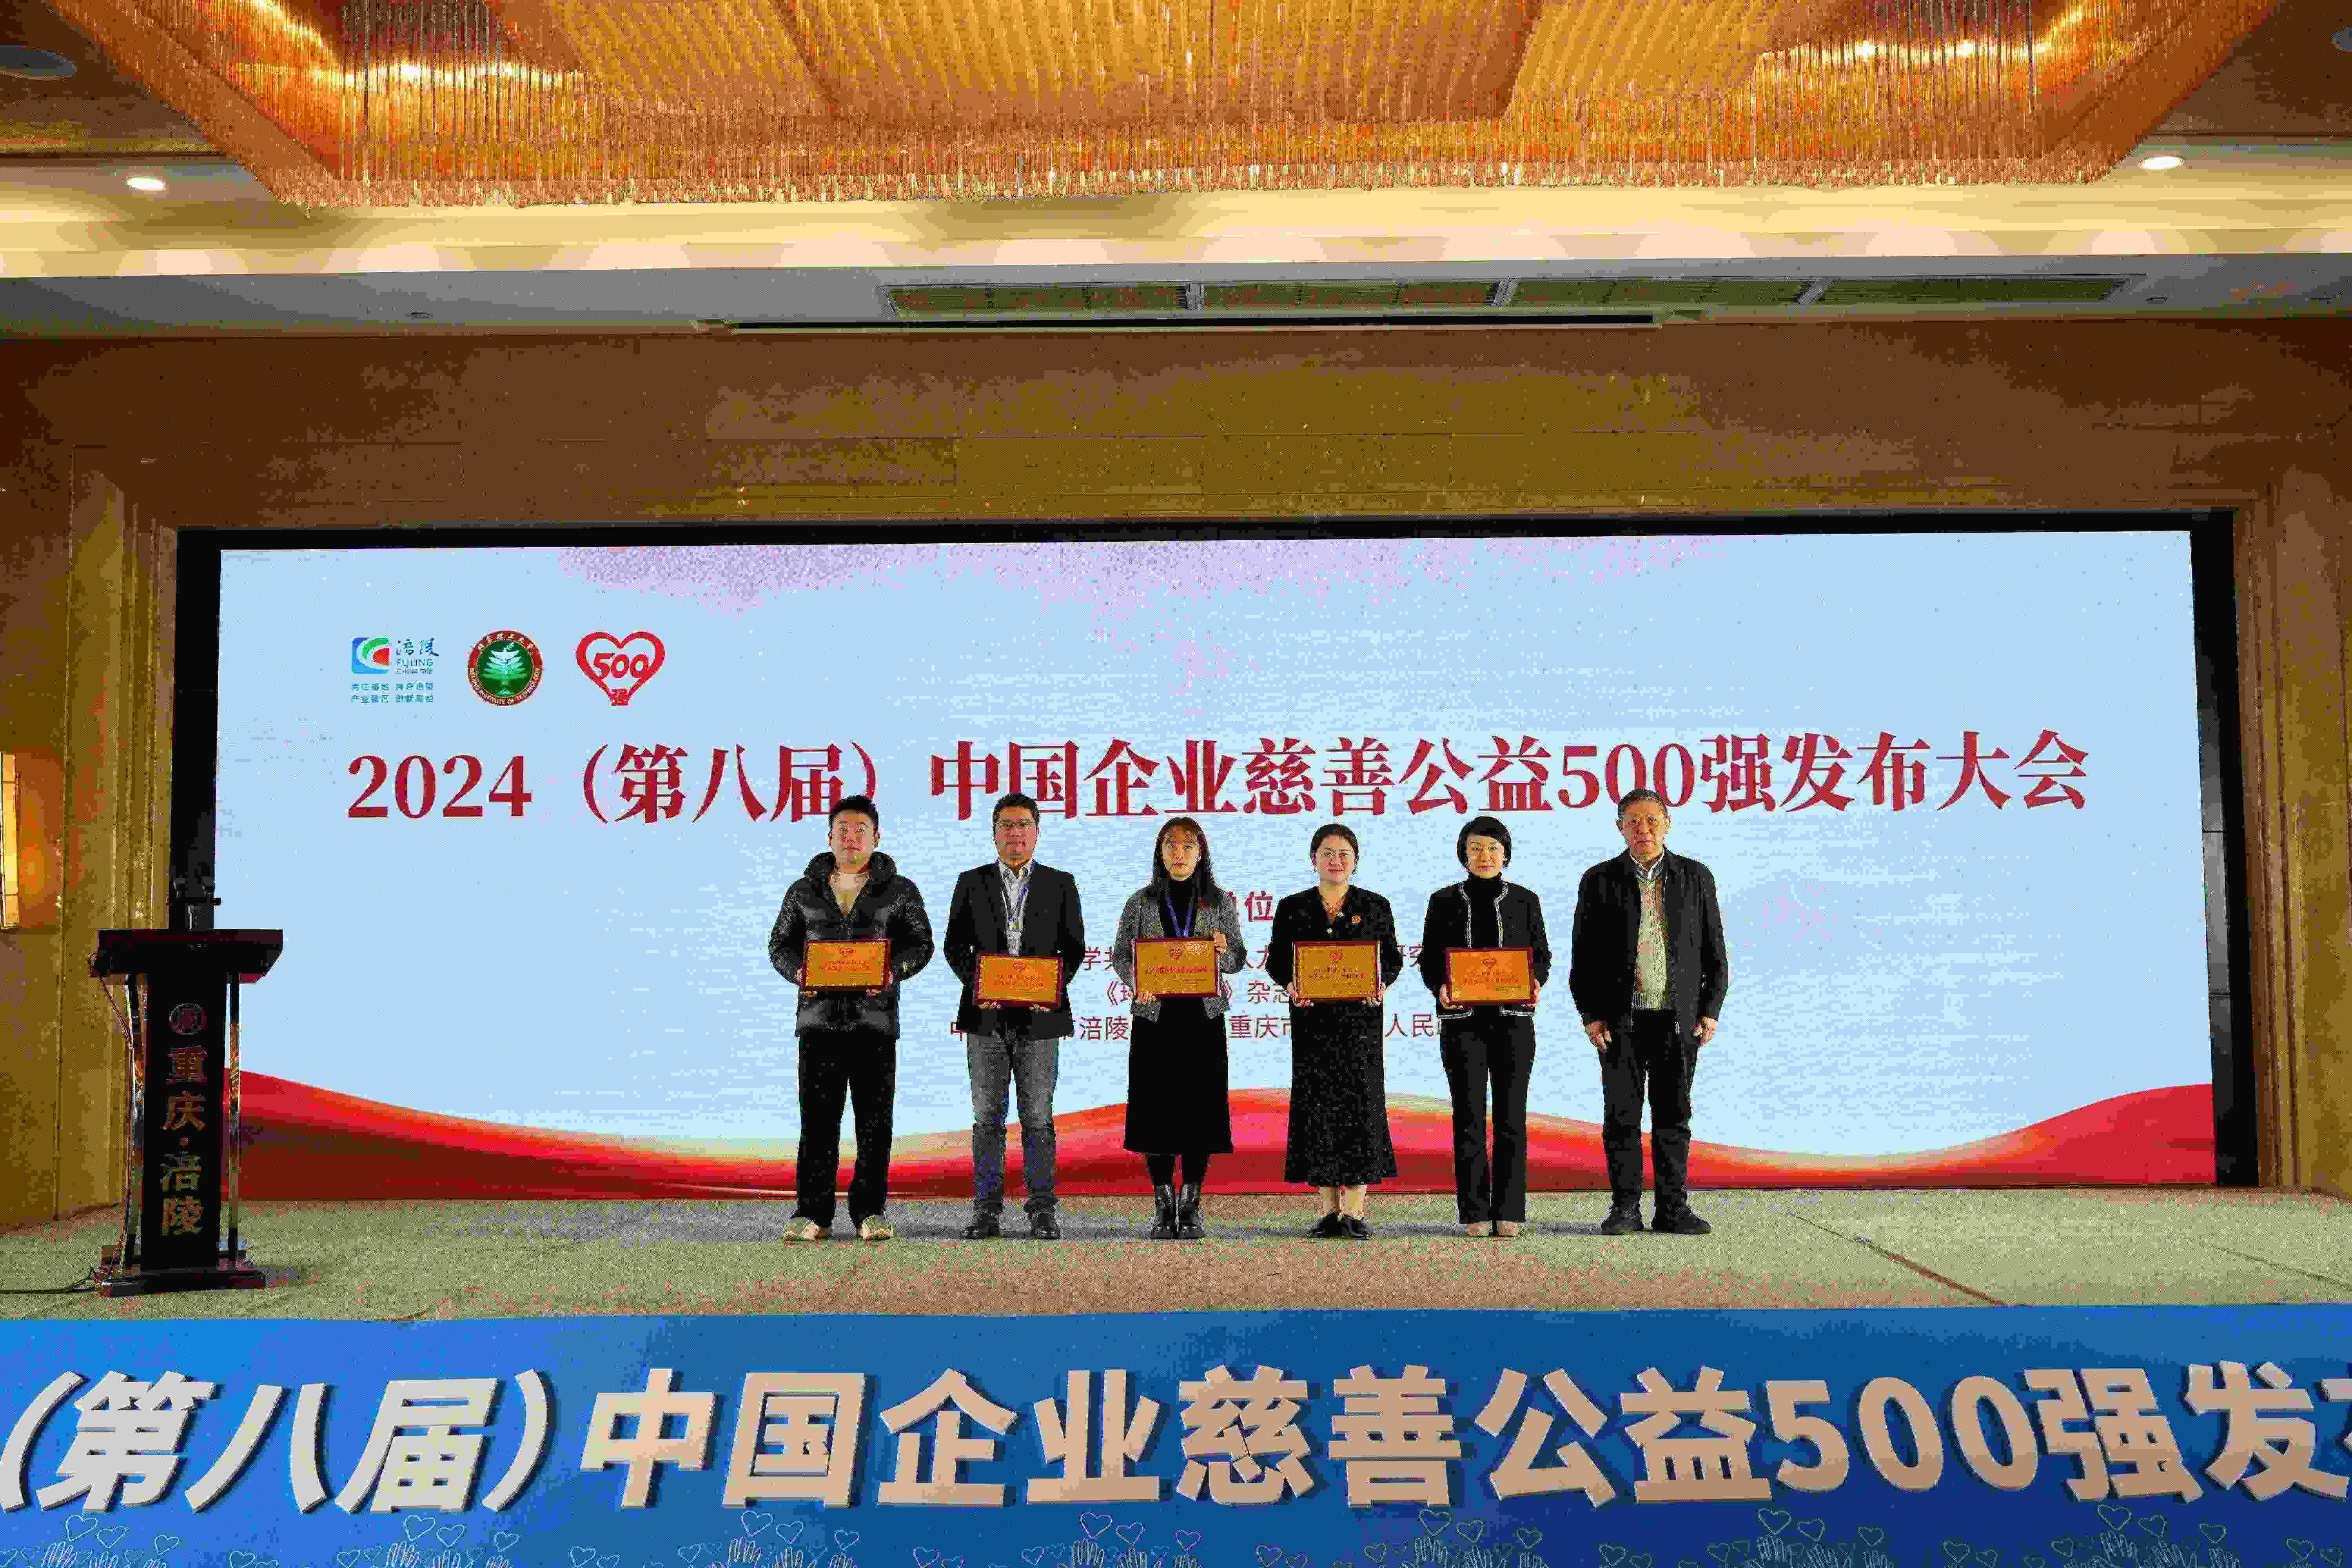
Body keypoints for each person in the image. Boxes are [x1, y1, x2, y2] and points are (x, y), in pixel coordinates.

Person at [765, 795, 935, 1243]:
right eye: (843, 829)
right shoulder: (803, 891)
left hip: (873, 1024)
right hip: (818, 1023)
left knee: (874, 1125)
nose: (851, 837)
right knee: (817, 1124)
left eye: (861, 829)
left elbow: (921, 944)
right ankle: (812, 1212)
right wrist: (799, 973)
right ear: (829, 837)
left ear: (877, 837)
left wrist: (892, 971)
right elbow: (779, 945)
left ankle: (870, 1211)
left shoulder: (900, 891)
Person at [1569, 788, 1729, 1237]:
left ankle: (1673, 1207)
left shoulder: (1695, 876)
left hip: (1678, 1020)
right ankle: (1625, 1208)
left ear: (1667, 824)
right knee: (1621, 1117)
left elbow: (1715, 949)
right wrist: (1591, 1014)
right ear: (1620, 828)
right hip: (1620, 1021)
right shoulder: (1600, 879)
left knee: (1674, 1116)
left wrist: (1710, 1008)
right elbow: (1584, 956)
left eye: (1652, 821)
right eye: (1634, 822)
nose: (1644, 830)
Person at [941, 791, 1086, 1241]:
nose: (1015, 833)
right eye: (1007, 825)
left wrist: (1052, 989)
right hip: (986, 1018)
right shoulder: (971, 882)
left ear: (1037, 832)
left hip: (1041, 1019)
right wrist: (977, 985)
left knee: (1038, 1118)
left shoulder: (1061, 883)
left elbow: (1074, 947)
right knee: (987, 1117)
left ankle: (1042, 1211)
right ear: (995, 833)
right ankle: (986, 1212)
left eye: (1024, 825)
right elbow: (954, 945)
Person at [1110, 815, 1248, 1240]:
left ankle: (1191, 1205)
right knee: (1156, 1111)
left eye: (1188, 846)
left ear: (1201, 853)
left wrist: (1224, 951)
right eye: (1171, 846)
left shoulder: (1219, 901)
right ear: (1161, 853)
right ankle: (1162, 1201)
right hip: (1156, 1020)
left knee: (1200, 1112)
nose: (1180, 854)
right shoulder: (1141, 901)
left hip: (1203, 1020)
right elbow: (1121, 956)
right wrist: (1138, 982)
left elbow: (1237, 959)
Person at [1265, 823, 1403, 1240]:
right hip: (1313, 1025)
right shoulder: (1292, 907)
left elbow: (1391, 960)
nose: (1336, 861)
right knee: (1319, 1109)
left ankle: (1355, 1212)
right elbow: (1277, 961)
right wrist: (1291, 984)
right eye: (1327, 853)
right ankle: (1328, 1211)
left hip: (1361, 1024)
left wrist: (1381, 983)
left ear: (1356, 860)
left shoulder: (1375, 906)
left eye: (1344, 853)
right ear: (1314, 860)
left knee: (1361, 1108)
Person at [1417, 815, 1552, 1239]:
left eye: (1493, 848)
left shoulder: (1526, 900)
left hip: (1514, 1022)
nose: (1485, 856)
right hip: (1463, 1023)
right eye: (1476, 848)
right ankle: (1475, 1210)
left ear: (1506, 854)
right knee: (1469, 1117)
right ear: (1464, 854)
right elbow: (1430, 957)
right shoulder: (1443, 900)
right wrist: (1440, 987)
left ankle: (1510, 1210)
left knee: (1512, 1118)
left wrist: (1535, 980)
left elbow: (1542, 955)